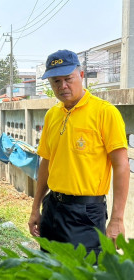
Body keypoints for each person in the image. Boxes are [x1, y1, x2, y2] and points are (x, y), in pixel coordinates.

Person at [28, 49, 130, 256]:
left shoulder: (104, 112)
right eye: (56, 81)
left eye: (68, 79)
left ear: (81, 76)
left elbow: (121, 166)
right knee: (49, 271)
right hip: (52, 209)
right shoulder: (52, 115)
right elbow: (47, 162)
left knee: (82, 273)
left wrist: (117, 219)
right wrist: (36, 207)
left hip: (86, 214)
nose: (62, 86)